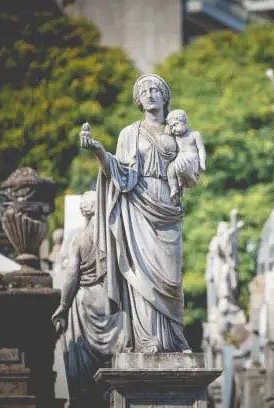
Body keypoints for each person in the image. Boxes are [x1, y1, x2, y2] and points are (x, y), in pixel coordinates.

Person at [79, 73, 192, 353]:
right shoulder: (130, 134)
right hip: (138, 209)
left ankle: (174, 336)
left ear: (166, 97)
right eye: (144, 91)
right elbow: (121, 174)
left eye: (156, 90)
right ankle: (146, 338)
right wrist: (99, 151)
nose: (151, 94)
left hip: (168, 208)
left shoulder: (178, 131)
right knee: (142, 274)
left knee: (171, 279)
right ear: (138, 101)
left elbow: (191, 170)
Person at [51, 191, 122, 407]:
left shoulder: (78, 239)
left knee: (83, 366)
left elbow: (72, 275)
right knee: (110, 361)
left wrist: (63, 306)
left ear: (84, 210)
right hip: (110, 302)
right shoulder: (112, 237)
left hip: (85, 302)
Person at [165, 109, 207, 200]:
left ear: (184, 122)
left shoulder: (194, 134)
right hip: (179, 159)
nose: (174, 129)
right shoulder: (175, 136)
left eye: (175, 125)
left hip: (192, 159)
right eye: (171, 127)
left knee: (180, 161)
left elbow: (201, 149)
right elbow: (166, 133)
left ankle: (182, 181)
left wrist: (202, 163)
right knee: (170, 169)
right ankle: (174, 188)